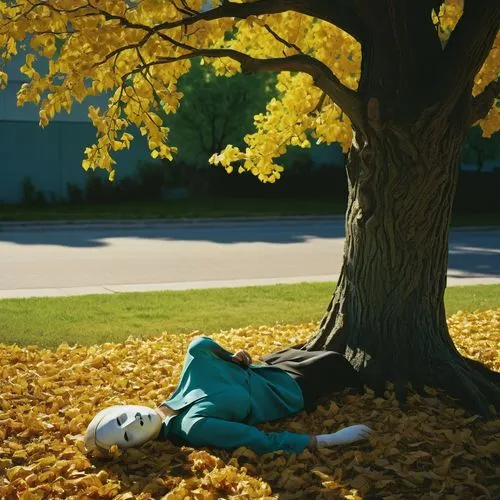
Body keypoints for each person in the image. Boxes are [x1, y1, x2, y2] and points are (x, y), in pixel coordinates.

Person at [84, 336, 373, 455]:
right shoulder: (194, 426)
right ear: (137, 447)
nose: (133, 422)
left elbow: (198, 346)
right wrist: (331, 439)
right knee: (342, 358)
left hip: (270, 364)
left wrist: (231, 357)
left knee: (326, 340)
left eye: (122, 417)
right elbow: (257, 440)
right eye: (127, 436)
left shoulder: (180, 390)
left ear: (124, 405)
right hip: (290, 388)